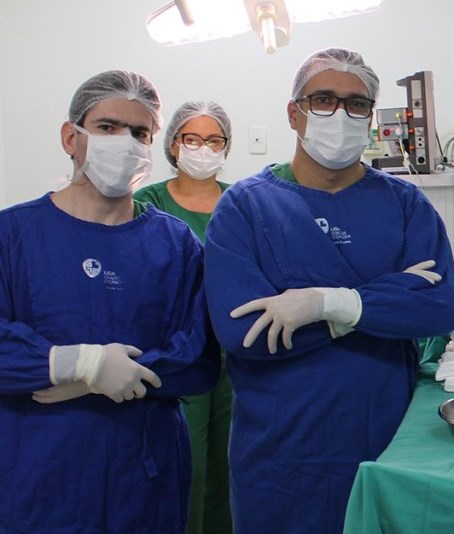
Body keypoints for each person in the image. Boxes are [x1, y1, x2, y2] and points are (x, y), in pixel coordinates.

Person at [204, 48, 454, 532]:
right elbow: (244, 333)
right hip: (282, 454)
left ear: (371, 117)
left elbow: (438, 308)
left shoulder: (405, 203)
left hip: (385, 441)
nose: (340, 114)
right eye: (323, 99)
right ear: (293, 113)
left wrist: (326, 304)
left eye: (356, 103)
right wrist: (382, 304)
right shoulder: (245, 208)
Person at [0, 71, 219, 532]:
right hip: (39, 473)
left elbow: (199, 358)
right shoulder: (13, 236)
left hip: (143, 475)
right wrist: (81, 364)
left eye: (140, 133)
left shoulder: (175, 244)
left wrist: (104, 377)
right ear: (71, 137)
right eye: (107, 127)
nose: (125, 143)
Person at [135, 100, 234, 534]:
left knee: (230, 467)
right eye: (192, 139)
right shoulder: (147, 203)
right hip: (176, 354)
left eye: (214, 140)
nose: (202, 148)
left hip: (236, 352)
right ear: (173, 144)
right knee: (185, 465)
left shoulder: (242, 202)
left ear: (226, 146)